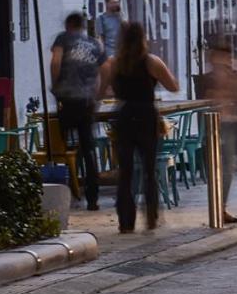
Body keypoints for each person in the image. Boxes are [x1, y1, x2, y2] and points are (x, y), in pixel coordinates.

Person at [98, 22, 179, 233]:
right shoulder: (152, 62)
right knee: (149, 170)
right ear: (143, 38)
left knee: (125, 172)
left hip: (124, 115)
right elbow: (174, 86)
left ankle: (126, 221)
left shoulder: (112, 63)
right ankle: (151, 217)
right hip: (146, 115)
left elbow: (99, 92)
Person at [50, 12, 105, 210]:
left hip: (67, 99)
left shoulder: (62, 39)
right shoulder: (95, 45)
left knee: (60, 147)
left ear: (68, 25)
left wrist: (55, 86)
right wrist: (95, 96)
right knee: (88, 149)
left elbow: (56, 62)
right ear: (83, 26)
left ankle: (64, 191)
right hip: (87, 101)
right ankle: (93, 198)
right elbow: (100, 75)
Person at [198, 40, 237, 224]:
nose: (228, 61)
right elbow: (208, 101)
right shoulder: (209, 79)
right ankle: (219, 209)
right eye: (224, 57)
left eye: (229, 57)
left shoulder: (233, 76)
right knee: (224, 168)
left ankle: (221, 208)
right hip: (218, 125)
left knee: (228, 168)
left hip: (229, 124)